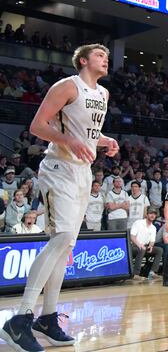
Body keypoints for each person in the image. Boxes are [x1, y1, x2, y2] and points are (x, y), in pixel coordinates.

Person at [1, 44, 118, 352]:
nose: (105, 59)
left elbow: (88, 134)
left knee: (67, 244)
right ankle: (21, 318)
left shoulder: (103, 95)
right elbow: (38, 126)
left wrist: (105, 140)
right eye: (99, 55)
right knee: (62, 236)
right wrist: (67, 140)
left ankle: (48, 318)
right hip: (58, 168)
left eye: (107, 56)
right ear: (83, 60)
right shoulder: (66, 86)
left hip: (83, 172)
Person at [130, 207, 163, 281]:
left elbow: (152, 241)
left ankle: (152, 272)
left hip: (145, 247)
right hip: (134, 246)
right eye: (151, 213)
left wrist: (151, 246)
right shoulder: (138, 223)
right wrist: (139, 245)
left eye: (154, 214)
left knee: (159, 250)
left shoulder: (153, 228)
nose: (152, 215)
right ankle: (136, 274)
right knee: (142, 249)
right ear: (147, 214)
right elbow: (132, 236)